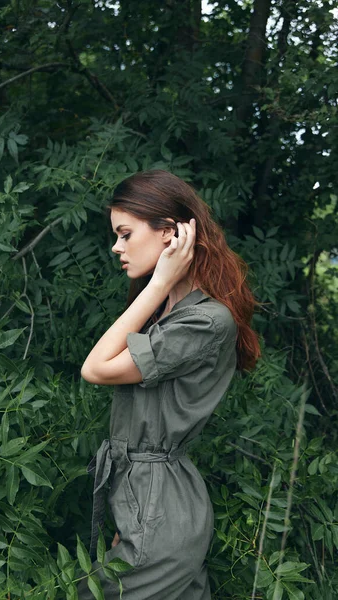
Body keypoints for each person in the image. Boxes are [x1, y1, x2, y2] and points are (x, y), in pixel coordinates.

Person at [78, 170, 260, 599]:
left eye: (125, 234)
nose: (116, 247)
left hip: (161, 512)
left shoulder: (205, 321)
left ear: (169, 234)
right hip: (148, 506)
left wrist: (157, 283)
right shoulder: (171, 314)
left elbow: (96, 368)